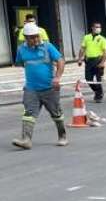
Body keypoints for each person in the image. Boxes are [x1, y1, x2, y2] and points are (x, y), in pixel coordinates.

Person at [12, 22, 66, 150]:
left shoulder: (48, 47)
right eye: (32, 37)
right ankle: (26, 140)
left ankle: (62, 135)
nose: (36, 39)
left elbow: (60, 61)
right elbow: (19, 63)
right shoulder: (21, 50)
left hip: (49, 88)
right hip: (31, 88)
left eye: (37, 36)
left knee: (56, 114)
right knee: (28, 113)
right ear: (26, 38)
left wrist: (57, 77)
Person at [77, 22, 106, 105]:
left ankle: (99, 95)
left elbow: (105, 52)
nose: (98, 28)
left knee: (98, 80)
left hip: (98, 60)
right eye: (96, 27)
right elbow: (82, 49)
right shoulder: (86, 37)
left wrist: (102, 62)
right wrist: (80, 59)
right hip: (89, 61)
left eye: (100, 27)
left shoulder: (102, 39)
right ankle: (98, 91)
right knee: (88, 79)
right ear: (92, 28)